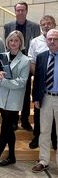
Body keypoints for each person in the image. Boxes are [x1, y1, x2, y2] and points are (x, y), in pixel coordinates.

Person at [0, 30, 30, 170]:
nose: (13, 43)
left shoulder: (26, 60)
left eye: (16, 40)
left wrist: (2, 81)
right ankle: (12, 156)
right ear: (7, 42)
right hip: (3, 98)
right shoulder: (2, 56)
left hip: (15, 100)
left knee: (5, 128)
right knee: (9, 129)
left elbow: (21, 82)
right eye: (11, 40)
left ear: (21, 42)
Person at [4, 1, 40, 131]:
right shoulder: (8, 26)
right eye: (18, 10)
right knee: (13, 91)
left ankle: (25, 120)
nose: (20, 12)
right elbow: (6, 44)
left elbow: (35, 47)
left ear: (26, 11)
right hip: (13, 61)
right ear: (15, 11)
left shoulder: (35, 27)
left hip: (26, 62)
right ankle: (13, 120)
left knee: (25, 93)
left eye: (22, 10)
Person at [28, 15, 57, 149]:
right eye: (43, 24)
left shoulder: (56, 38)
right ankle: (37, 137)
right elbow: (32, 61)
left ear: (54, 24)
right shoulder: (35, 41)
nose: (46, 26)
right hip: (42, 84)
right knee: (40, 114)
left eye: (49, 23)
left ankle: (54, 139)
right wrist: (39, 76)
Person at [31, 29, 58, 173]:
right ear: (46, 40)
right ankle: (44, 160)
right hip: (45, 98)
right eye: (49, 39)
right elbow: (37, 80)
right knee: (44, 131)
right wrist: (35, 98)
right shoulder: (41, 57)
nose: (52, 41)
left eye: (55, 39)